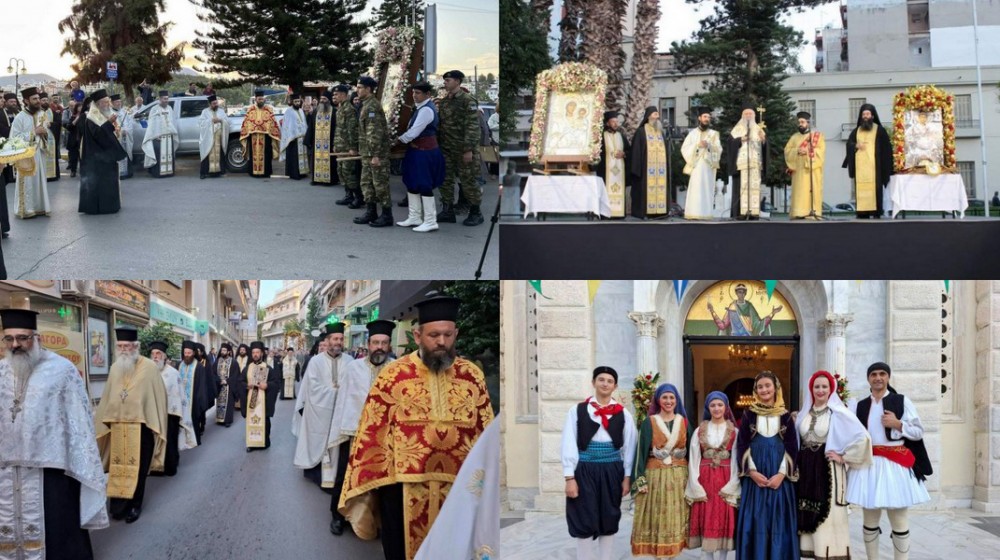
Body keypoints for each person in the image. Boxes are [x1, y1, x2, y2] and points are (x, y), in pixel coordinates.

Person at [338, 296, 494, 560]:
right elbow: (372, 430)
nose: (442, 342)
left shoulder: (472, 375)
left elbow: (486, 431)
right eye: (434, 335)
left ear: (456, 333)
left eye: (447, 334)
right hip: (401, 490)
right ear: (418, 335)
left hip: (458, 492)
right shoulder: (393, 375)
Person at [0, 308, 108, 558]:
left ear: (37, 338)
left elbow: (79, 424)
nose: (16, 345)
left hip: (51, 473)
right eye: (9, 339)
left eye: (23, 338)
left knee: (58, 535)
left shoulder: (62, 371)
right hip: (6, 473)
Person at [847, 362, 931, 560]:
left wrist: (898, 424)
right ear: (868, 378)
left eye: (882, 374)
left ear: (888, 377)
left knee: (899, 518)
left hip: (895, 464)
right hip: (869, 465)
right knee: (869, 519)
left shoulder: (901, 401)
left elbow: (918, 432)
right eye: (874, 374)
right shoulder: (860, 405)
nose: (878, 377)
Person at [326, 319, 396, 536]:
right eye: (376, 342)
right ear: (368, 343)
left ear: (389, 345)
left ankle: (379, 520)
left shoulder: (395, 369)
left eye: (384, 343)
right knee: (346, 477)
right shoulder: (353, 368)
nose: (379, 348)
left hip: (385, 437)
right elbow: (343, 401)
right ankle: (338, 517)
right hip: (355, 434)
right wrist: (341, 429)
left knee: (383, 481)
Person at [92, 326, 169, 524]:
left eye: (128, 346)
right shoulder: (115, 368)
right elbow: (108, 396)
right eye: (120, 346)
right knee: (119, 467)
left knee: (138, 469)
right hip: (118, 427)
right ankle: (118, 506)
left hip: (141, 428)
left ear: (136, 346)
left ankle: (135, 506)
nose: (124, 349)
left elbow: (158, 397)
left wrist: (155, 423)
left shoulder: (149, 367)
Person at [560, 366, 636, 560]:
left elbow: (629, 447)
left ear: (615, 386)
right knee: (583, 517)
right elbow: (568, 442)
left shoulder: (624, 414)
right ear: (593, 383)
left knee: (609, 516)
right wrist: (570, 477)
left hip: (612, 469)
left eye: (610, 381)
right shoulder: (577, 411)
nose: (605, 384)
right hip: (584, 469)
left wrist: (627, 477)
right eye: (601, 380)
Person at [795, 370, 872, 560]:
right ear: (811, 389)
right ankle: (808, 552)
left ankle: (829, 553)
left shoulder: (838, 413)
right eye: (816, 386)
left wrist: (843, 457)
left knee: (827, 512)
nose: (820, 390)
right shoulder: (804, 413)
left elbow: (863, 438)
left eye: (824, 386)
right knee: (805, 508)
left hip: (827, 468)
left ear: (831, 389)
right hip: (805, 468)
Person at [734, 371, 799, 559]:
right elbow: (742, 444)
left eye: (767, 386)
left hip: (779, 474)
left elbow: (792, 447)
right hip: (756, 475)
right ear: (755, 390)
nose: (764, 390)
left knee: (779, 519)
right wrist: (752, 472)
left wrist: (781, 475)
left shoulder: (786, 416)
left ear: (775, 388)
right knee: (756, 519)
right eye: (760, 386)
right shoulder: (749, 415)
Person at [630, 383, 690, 558]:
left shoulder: (684, 422)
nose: (668, 401)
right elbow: (640, 453)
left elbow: (695, 451)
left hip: (679, 478)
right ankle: (659, 553)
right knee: (657, 519)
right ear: (658, 400)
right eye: (665, 397)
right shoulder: (649, 423)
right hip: (655, 477)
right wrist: (640, 480)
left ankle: (672, 554)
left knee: (675, 520)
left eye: (672, 397)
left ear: (676, 400)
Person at [293, 322, 355, 485]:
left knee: (339, 446)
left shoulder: (350, 361)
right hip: (319, 412)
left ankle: (337, 478)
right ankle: (318, 476)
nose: (338, 342)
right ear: (327, 341)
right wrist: (336, 392)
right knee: (319, 440)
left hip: (341, 413)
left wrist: (343, 393)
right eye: (335, 338)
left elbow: (353, 385)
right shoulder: (316, 361)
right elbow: (313, 388)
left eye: (341, 339)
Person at [685, 391, 740, 560]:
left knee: (724, 517)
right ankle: (707, 556)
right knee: (707, 517)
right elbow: (694, 457)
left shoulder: (735, 431)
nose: (716, 408)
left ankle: (722, 557)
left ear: (726, 407)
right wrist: (695, 483)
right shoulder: (699, 430)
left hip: (725, 477)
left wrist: (733, 483)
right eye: (713, 405)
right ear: (708, 408)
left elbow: (737, 459)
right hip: (705, 478)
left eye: (720, 405)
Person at [395, 81, 446, 233]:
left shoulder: (426, 110)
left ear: (428, 94)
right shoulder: (420, 108)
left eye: (418, 93)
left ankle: (430, 221)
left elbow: (414, 132)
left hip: (425, 152)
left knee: (424, 184)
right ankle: (414, 217)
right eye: (413, 93)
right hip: (415, 150)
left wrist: (397, 141)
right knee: (411, 183)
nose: (414, 96)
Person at [149, 340, 197, 477]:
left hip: (170, 413)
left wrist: (176, 414)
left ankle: (170, 466)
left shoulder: (173, 373)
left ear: (164, 356)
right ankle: (155, 467)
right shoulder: (147, 372)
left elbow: (179, 395)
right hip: (152, 413)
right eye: (153, 354)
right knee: (153, 441)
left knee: (170, 441)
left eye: (158, 353)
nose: (155, 356)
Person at [78, 89, 128, 215]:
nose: (107, 105)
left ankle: (110, 206)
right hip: (95, 158)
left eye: (108, 102)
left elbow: (110, 133)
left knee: (109, 182)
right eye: (104, 103)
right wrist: (109, 123)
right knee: (96, 182)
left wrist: (117, 130)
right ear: (98, 104)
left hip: (107, 156)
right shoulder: (91, 118)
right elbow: (98, 135)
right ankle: (96, 207)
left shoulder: (105, 114)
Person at [843, 104, 892, 219]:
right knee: (860, 189)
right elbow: (849, 144)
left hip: (876, 169)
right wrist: (855, 146)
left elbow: (887, 149)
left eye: (867, 114)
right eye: (863, 114)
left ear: (873, 116)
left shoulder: (880, 130)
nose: (865, 116)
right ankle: (862, 212)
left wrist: (887, 168)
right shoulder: (856, 131)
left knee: (876, 191)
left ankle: (876, 212)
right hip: (860, 170)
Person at [10, 87, 52, 218]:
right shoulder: (20, 117)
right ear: (26, 101)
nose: (38, 101)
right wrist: (34, 132)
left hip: (39, 153)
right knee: (28, 183)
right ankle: (26, 209)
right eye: (34, 99)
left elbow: (45, 132)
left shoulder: (41, 115)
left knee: (39, 181)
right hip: (26, 155)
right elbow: (14, 138)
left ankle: (40, 207)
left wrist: (45, 132)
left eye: (38, 98)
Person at [232, 341, 280, 451]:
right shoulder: (247, 368)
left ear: (262, 353)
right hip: (251, 401)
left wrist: (267, 385)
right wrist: (247, 385)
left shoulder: (267, 368)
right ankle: (252, 444)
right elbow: (240, 382)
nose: (255, 354)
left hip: (264, 401)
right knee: (251, 421)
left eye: (257, 352)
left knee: (265, 421)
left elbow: (276, 384)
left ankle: (264, 442)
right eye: (253, 352)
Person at [728, 104, 768, 220]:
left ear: (754, 115)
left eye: (750, 113)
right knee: (740, 188)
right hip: (741, 166)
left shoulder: (758, 129)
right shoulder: (737, 129)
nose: (748, 116)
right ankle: (740, 213)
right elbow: (730, 143)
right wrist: (740, 140)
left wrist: (763, 140)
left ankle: (754, 212)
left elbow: (765, 147)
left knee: (754, 188)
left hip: (755, 165)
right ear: (742, 115)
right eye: (746, 113)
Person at [682, 107, 722, 220]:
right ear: (699, 118)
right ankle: (693, 213)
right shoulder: (692, 134)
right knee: (696, 188)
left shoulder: (714, 134)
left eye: (708, 117)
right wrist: (697, 146)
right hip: (696, 165)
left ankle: (705, 213)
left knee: (706, 188)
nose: (707, 119)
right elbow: (684, 148)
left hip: (708, 166)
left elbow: (719, 149)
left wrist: (709, 146)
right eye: (705, 117)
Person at [784, 111, 826, 219]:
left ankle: (813, 212)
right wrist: (797, 151)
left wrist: (807, 151)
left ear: (808, 123)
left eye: (802, 122)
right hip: (798, 171)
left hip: (812, 171)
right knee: (799, 192)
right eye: (799, 122)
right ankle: (798, 213)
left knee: (811, 191)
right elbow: (787, 151)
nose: (800, 124)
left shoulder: (818, 136)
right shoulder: (794, 137)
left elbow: (821, 151)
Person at [629, 106, 669, 219]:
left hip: (660, 171)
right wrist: (636, 169)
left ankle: (660, 211)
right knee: (644, 190)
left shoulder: (660, 132)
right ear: (648, 116)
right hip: (645, 170)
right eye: (655, 113)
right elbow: (636, 151)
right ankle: (645, 212)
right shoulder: (641, 131)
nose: (658, 116)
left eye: (658, 114)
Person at [707, 283, 782, 336]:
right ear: (736, 293)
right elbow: (722, 325)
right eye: (739, 292)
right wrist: (712, 311)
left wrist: (772, 313)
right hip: (734, 339)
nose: (741, 294)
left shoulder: (749, 306)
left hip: (748, 338)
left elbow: (758, 324)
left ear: (745, 293)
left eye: (743, 292)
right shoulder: (732, 306)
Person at [593, 111, 630, 219]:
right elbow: (596, 153)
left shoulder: (621, 135)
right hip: (605, 171)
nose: (615, 124)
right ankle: (605, 213)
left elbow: (629, 150)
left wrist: (624, 154)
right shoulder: (600, 136)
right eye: (613, 121)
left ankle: (619, 213)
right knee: (604, 192)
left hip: (620, 172)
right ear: (607, 123)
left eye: (616, 121)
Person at [177, 340, 215, 446]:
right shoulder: (179, 365)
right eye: (185, 353)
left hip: (193, 401)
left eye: (189, 353)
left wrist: (200, 402)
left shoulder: (198, 367)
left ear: (193, 353)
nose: (187, 355)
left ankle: (194, 440)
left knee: (194, 420)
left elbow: (202, 386)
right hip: (180, 400)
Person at [240, 90, 281, 178]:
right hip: (253, 137)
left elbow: (273, 122)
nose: (261, 101)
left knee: (267, 154)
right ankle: (254, 172)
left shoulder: (268, 109)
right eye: (259, 99)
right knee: (253, 155)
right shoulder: (250, 109)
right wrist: (253, 127)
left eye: (262, 99)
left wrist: (266, 127)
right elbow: (246, 122)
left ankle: (266, 173)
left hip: (266, 137)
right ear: (256, 99)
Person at [306, 89, 340, 187]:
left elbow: (336, 128)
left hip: (329, 142)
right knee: (316, 160)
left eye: (324, 99)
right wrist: (308, 140)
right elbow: (311, 127)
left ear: (329, 100)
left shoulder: (334, 112)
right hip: (317, 142)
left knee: (330, 161)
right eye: (321, 98)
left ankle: (329, 180)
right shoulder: (316, 111)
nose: (322, 100)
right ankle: (316, 179)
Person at [142, 90, 179, 178]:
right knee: (159, 155)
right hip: (158, 137)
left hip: (168, 136)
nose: (166, 100)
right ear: (160, 99)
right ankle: (158, 174)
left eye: (167, 99)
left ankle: (169, 172)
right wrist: (155, 135)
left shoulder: (170, 108)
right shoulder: (154, 109)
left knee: (169, 155)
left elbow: (172, 121)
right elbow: (152, 123)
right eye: (164, 99)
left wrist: (173, 132)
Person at [280, 93, 310, 180]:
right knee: (294, 158)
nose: (297, 103)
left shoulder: (301, 110)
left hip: (302, 138)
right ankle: (294, 174)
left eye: (298, 101)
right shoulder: (289, 111)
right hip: (293, 139)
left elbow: (303, 123)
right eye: (295, 101)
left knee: (302, 156)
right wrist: (290, 136)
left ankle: (302, 173)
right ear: (292, 102)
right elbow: (286, 126)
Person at [198, 95, 229, 179]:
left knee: (220, 154)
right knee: (207, 152)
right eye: (213, 104)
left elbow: (227, 121)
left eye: (216, 103)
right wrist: (211, 121)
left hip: (219, 136)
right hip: (209, 137)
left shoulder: (221, 111)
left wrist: (221, 120)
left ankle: (219, 172)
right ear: (210, 104)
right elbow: (201, 123)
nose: (215, 105)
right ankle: (204, 173)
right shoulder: (205, 112)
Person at [214, 342, 238, 426]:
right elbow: (213, 373)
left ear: (228, 351)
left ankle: (227, 421)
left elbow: (236, 375)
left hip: (229, 387)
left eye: (224, 350)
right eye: (222, 350)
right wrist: (218, 380)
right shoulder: (217, 361)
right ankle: (219, 419)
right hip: (219, 386)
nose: (222, 352)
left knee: (228, 404)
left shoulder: (233, 362)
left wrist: (227, 381)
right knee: (219, 402)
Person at [111, 94, 135, 180]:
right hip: (116, 138)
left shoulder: (125, 112)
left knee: (126, 154)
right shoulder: (110, 113)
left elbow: (130, 124)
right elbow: (110, 126)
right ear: (112, 103)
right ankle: (118, 173)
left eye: (119, 101)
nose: (118, 103)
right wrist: (120, 132)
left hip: (126, 137)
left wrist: (126, 131)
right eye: (116, 102)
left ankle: (127, 173)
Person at [40, 92, 62, 182]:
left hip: (51, 138)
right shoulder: (36, 113)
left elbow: (59, 123)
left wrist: (51, 124)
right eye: (43, 100)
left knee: (52, 156)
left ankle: (53, 175)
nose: (45, 102)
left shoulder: (53, 112)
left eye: (46, 100)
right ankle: (41, 175)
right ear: (40, 101)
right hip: (40, 139)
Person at [64, 100, 84, 179]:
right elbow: (69, 127)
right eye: (79, 107)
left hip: (82, 140)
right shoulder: (73, 116)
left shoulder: (85, 116)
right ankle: (73, 171)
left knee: (82, 156)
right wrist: (77, 119)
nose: (80, 108)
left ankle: (83, 171)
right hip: (73, 140)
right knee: (73, 157)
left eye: (81, 106)